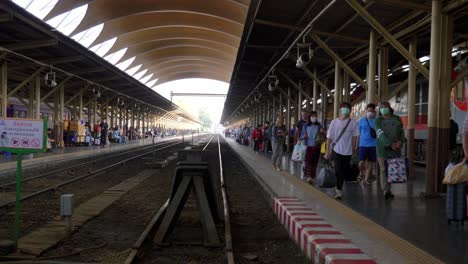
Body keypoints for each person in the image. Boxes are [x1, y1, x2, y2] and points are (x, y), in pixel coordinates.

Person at [324, 102, 359, 200]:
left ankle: (339, 186)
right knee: (338, 170)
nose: (346, 110)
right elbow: (329, 138)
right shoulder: (334, 122)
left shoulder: (352, 123)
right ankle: (338, 190)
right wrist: (327, 152)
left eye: (348, 108)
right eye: (344, 108)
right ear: (340, 110)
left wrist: (354, 150)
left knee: (343, 171)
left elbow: (355, 136)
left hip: (348, 152)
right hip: (336, 150)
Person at [375, 101, 406, 200]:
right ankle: (385, 190)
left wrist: (400, 142)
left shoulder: (397, 118)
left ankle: (389, 189)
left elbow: (401, 132)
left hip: (395, 149)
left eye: (385, 107)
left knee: (392, 169)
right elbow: (380, 134)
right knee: (384, 169)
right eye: (381, 107)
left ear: (389, 107)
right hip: (382, 149)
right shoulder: (378, 120)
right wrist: (390, 144)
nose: (383, 108)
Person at [357, 103, 377, 184]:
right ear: (366, 111)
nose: (370, 112)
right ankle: (361, 173)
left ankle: (366, 179)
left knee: (370, 163)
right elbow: (358, 133)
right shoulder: (361, 121)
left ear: (374, 112)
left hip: (373, 145)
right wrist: (356, 144)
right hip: (363, 145)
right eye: (369, 111)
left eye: (372, 111)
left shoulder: (376, 120)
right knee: (361, 162)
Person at [301, 111, 323, 184]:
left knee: (314, 162)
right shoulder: (306, 125)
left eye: (315, 116)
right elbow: (301, 136)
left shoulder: (319, 125)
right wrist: (304, 136)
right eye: (312, 116)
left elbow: (324, 135)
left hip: (316, 146)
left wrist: (322, 132)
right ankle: (309, 176)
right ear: (310, 117)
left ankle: (312, 177)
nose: (314, 117)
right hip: (308, 146)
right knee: (308, 162)